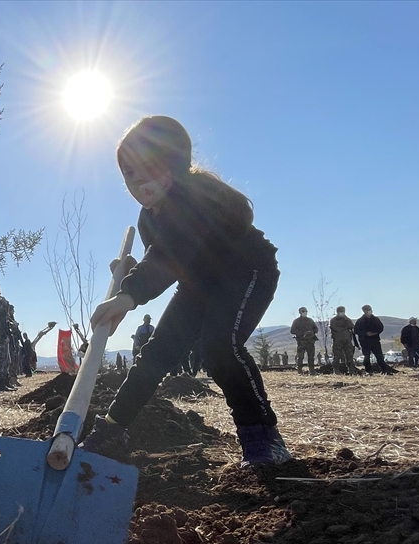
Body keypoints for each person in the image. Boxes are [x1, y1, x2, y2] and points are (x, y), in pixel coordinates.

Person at [82, 115, 290, 467]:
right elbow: (166, 263)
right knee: (156, 353)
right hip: (198, 285)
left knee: (219, 346)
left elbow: (174, 248)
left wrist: (130, 293)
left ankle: (263, 437)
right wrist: (129, 275)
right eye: (128, 173)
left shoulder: (197, 193)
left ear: (173, 162)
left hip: (245, 271)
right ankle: (112, 430)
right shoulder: (148, 218)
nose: (136, 180)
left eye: (145, 166)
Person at [354, 305, 394, 374]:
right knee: (366, 356)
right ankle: (368, 370)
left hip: (375, 340)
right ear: (364, 311)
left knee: (379, 356)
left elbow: (381, 327)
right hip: (365, 341)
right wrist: (366, 333)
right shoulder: (360, 321)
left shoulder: (376, 319)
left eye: (369, 309)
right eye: (367, 310)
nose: (369, 311)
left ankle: (384, 370)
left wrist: (375, 332)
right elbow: (356, 330)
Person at [329, 306, 360, 375]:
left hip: (347, 341)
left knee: (349, 356)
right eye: (341, 311)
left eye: (343, 311)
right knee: (336, 356)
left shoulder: (346, 319)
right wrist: (344, 328)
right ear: (337, 312)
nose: (342, 313)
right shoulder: (333, 320)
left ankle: (351, 370)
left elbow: (352, 326)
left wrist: (346, 319)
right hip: (337, 341)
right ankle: (336, 370)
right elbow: (335, 328)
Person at [290, 307, 319, 375]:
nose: (305, 312)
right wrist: (302, 333)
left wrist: (311, 332)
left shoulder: (310, 320)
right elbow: (292, 331)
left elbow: (316, 329)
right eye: (303, 311)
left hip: (310, 341)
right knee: (300, 357)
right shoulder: (296, 321)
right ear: (300, 312)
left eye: (306, 311)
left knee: (311, 357)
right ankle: (299, 370)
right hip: (301, 342)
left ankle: (312, 370)